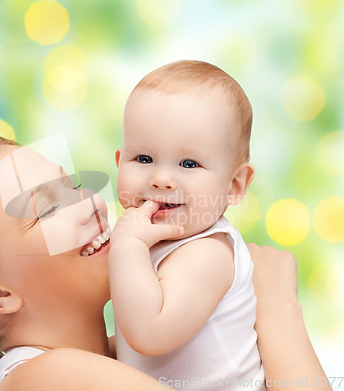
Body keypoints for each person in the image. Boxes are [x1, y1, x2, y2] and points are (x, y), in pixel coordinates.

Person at [0, 137, 331, 391]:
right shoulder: (47, 378)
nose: (89, 204)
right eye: (47, 209)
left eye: (71, 185)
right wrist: (276, 307)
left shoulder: (130, 355)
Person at [109, 60, 259, 389]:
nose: (161, 179)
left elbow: (149, 333)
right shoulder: (150, 240)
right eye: (144, 159)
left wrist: (127, 247)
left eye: (189, 163)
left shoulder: (208, 253)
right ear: (120, 162)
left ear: (234, 185)